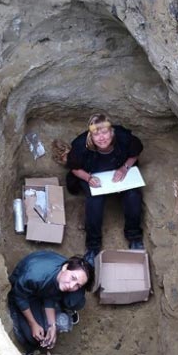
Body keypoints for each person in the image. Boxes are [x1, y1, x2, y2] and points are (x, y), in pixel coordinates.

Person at [66, 112, 144, 266]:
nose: (102, 138)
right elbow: (74, 168)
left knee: (133, 196)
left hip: (118, 173)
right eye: (96, 134)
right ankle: (93, 246)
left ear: (112, 131)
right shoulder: (81, 145)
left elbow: (136, 152)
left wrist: (124, 168)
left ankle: (134, 237)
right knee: (95, 202)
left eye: (105, 132)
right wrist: (88, 178)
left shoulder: (123, 137)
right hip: (94, 176)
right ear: (90, 136)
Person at [7, 251, 94, 354]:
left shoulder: (62, 276)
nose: (71, 286)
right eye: (73, 278)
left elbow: (50, 295)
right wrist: (33, 324)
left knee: (77, 299)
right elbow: (19, 297)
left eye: (77, 285)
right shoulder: (35, 276)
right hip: (24, 293)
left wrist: (52, 326)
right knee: (33, 337)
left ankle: (58, 307)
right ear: (65, 267)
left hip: (42, 285)